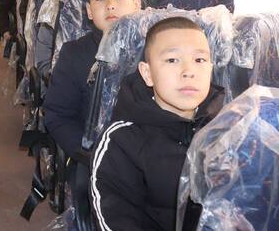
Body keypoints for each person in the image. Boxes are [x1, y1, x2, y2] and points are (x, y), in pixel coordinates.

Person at [90, 17, 224, 230]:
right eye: (172, 60)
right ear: (147, 73)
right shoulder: (122, 140)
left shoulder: (228, 127)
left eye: (199, 60)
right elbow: (115, 219)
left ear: (210, 69)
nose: (188, 71)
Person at [43, 0, 141, 158]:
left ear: (137, 5)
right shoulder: (73, 54)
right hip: (92, 156)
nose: (111, 5)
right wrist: (92, 156)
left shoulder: (156, 51)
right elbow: (58, 116)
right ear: (89, 11)